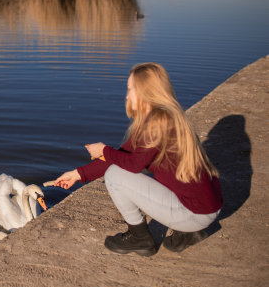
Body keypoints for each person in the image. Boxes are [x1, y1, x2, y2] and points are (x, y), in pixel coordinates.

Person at [54, 62, 223, 256]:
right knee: (119, 167)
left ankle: (139, 238)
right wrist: (77, 174)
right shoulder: (168, 116)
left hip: (196, 214)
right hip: (207, 207)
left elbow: (131, 165)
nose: (127, 95)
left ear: (145, 91)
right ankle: (188, 232)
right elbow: (121, 156)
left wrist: (103, 149)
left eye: (130, 89)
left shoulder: (157, 123)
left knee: (115, 176)